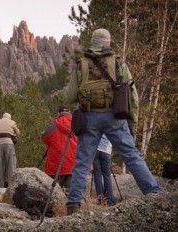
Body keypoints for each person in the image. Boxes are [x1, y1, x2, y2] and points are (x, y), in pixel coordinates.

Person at [61, 28, 164, 215]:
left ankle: (73, 204)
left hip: (89, 117)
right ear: (108, 43)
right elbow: (132, 94)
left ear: (92, 42)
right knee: (131, 156)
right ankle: (154, 193)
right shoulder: (118, 63)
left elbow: (68, 96)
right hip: (115, 117)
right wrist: (133, 123)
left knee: (83, 162)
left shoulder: (81, 64)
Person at [40, 105, 78, 193]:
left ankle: (53, 202)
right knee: (69, 188)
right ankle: (68, 203)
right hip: (72, 160)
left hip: (56, 161)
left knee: (51, 189)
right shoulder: (77, 124)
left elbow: (44, 138)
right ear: (69, 113)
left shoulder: (52, 125)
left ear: (58, 113)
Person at [92, 134, 116, 206]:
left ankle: (101, 199)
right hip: (106, 150)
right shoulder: (112, 123)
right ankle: (110, 200)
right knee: (107, 175)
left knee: (97, 174)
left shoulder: (96, 122)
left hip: (95, 149)